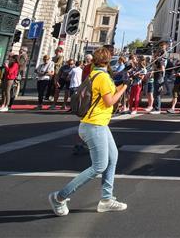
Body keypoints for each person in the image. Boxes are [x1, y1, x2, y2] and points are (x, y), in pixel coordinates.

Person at [48, 47, 129, 215]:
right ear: (109, 60)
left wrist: (122, 82)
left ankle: (107, 199)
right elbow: (110, 102)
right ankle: (59, 197)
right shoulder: (104, 77)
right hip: (95, 125)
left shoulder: (95, 74)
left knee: (112, 157)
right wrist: (124, 88)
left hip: (97, 124)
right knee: (99, 166)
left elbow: (104, 93)